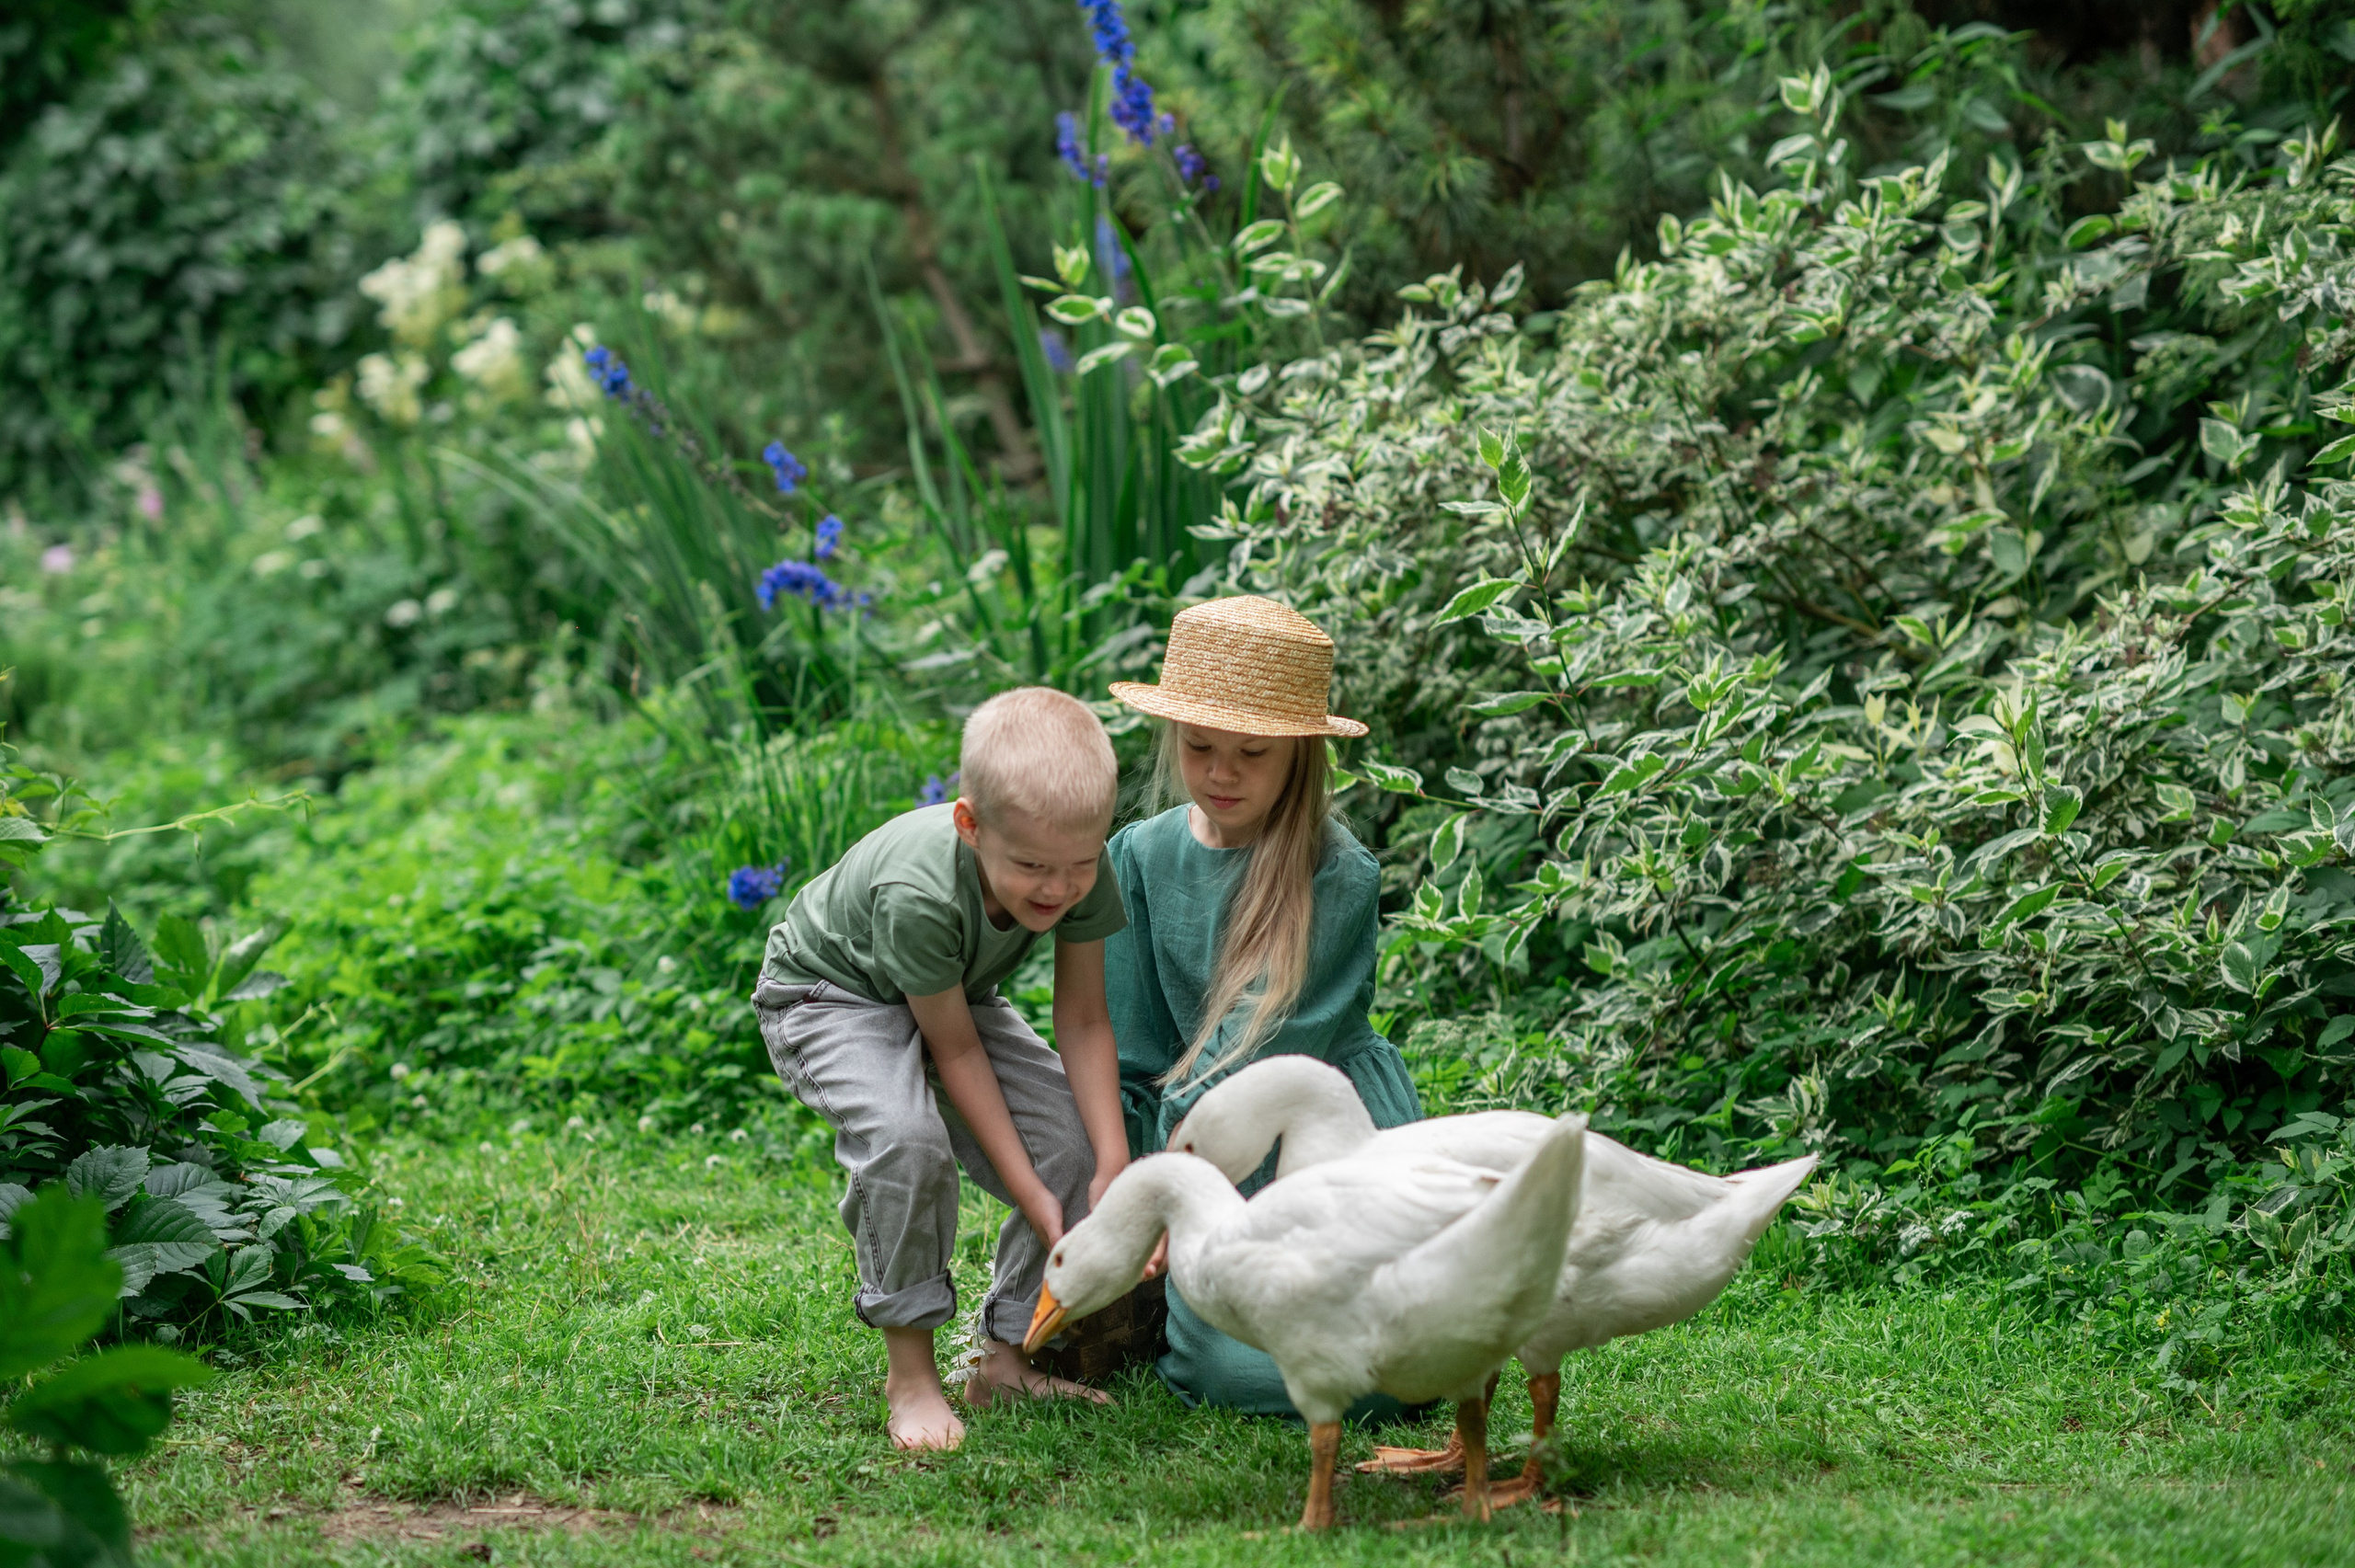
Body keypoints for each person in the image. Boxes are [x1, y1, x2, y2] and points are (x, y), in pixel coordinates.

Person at [751, 688, 1132, 1450]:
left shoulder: (1078, 864)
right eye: (1031, 866)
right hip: (829, 995)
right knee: (907, 1143)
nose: (1058, 890)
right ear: (970, 823)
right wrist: (1026, 1190)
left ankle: (1005, 1357)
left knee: (1072, 1142)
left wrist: (1113, 1162)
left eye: (1078, 866)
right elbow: (952, 1052)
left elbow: (1084, 1018)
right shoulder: (918, 893)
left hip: (949, 992)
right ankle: (913, 1378)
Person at [1104, 595, 1424, 1417]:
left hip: (1315, 1130)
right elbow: (1131, 1047)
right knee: (1238, 1359)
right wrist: (1136, 1186)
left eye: (1253, 751)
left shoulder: (1336, 874)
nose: (1220, 772)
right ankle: (1160, 1315)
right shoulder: (1138, 856)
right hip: (1182, 1132)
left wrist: (1179, 1177)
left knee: (1356, 1370)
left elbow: (1258, 1052)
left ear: (1300, 756)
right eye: (1200, 745)